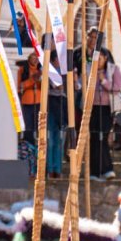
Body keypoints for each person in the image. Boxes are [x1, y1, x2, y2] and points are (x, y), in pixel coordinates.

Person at [82, 47, 121, 180]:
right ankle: (94, 171)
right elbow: (83, 86)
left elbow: (116, 88)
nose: (98, 61)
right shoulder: (88, 69)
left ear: (105, 58)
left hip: (106, 109)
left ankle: (107, 169)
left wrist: (103, 80)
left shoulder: (113, 70)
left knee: (102, 138)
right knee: (93, 139)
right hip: (92, 108)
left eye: (100, 58)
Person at [46, 49, 66, 179]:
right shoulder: (50, 71)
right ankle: (50, 168)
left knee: (60, 140)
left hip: (62, 104)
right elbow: (57, 86)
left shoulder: (66, 72)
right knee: (51, 140)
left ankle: (58, 168)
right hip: (52, 104)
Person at [17, 51, 41, 147]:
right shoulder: (22, 70)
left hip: (39, 102)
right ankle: (29, 149)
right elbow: (19, 86)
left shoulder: (42, 70)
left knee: (39, 128)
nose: (35, 58)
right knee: (28, 128)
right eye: (33, 56)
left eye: (37, 56)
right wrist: (32, 80)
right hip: (27, 102)